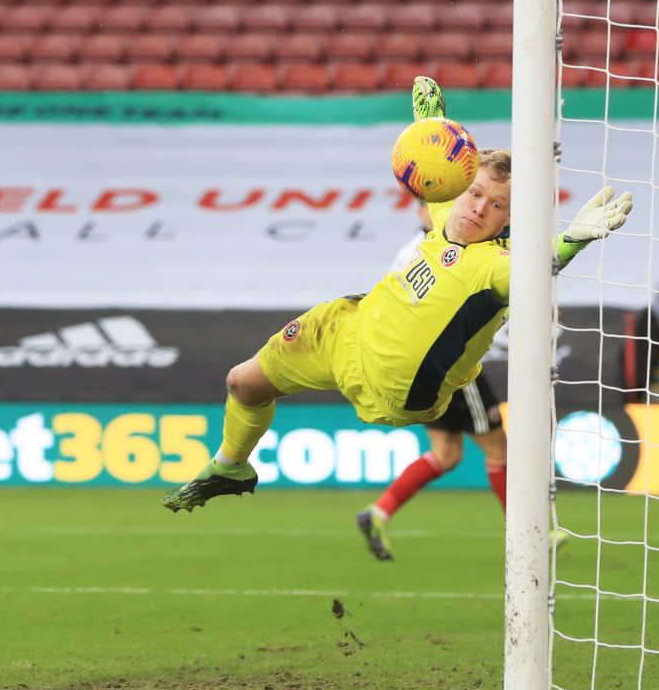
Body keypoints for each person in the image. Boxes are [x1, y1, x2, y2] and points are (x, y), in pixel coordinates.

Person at [161, 76, 634, 517]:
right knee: (242, 382)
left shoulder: (494, 267)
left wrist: (571, 241)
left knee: (471, 446)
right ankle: (230, 465)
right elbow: (435, 164)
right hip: (346, 333)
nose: (479, 208)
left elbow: (536, 269)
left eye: (497, 206)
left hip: (398, 392)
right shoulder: (448, 204)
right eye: (475, 193)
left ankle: (532, 530)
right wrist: (429, 125)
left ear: (508, 222)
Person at [354, 202, 508, 560]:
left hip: (420, 366)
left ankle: (379, 512)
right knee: (498, 448)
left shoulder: (416, 249)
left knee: (447, 453)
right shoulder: (439, 250)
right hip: (451, 363)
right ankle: (533, 534)